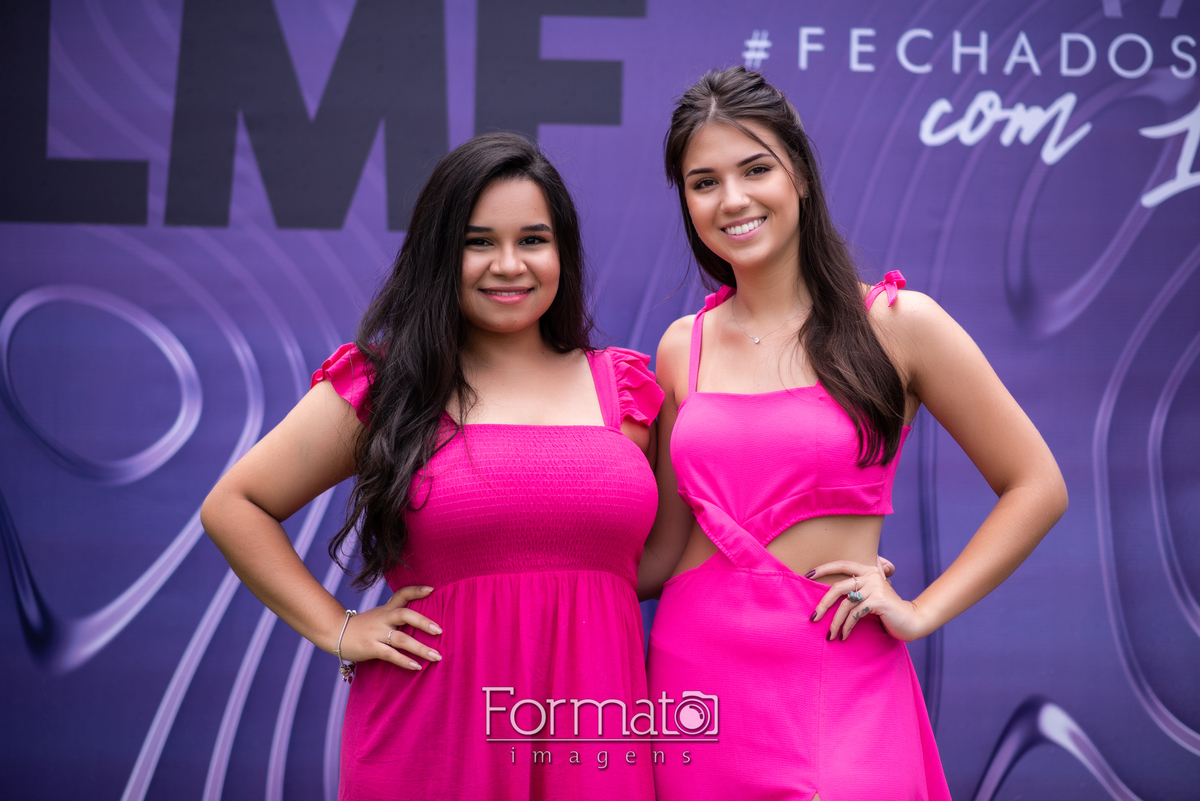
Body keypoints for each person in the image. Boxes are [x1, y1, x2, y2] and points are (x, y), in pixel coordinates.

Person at [638, 67, 1068, 800]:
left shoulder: (898, 325)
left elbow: (1037, 485)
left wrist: (922, 611)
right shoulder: (683, 346)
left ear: (801, 175)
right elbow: (661, 552)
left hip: (838, 675)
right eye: (704, 182)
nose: (732, 199)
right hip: (696, 686)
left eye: (755, 169)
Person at [201, 133, 663, 799]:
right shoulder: (388, 385)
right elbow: (234, 504)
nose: (509, 264)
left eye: (533, 239)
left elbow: (676, 556)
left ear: (562, 250)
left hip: (592, 737)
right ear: (441, 252)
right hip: (435, 740)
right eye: (479, 242)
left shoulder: (624, 391)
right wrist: (339, 628)